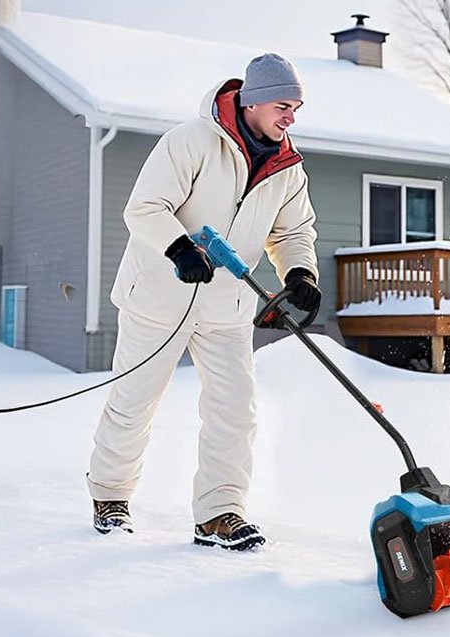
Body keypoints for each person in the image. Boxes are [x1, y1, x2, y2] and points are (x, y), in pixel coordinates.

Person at [86, 53, 322, 551]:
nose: (291, 118)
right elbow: (145, 207)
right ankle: (110, 497)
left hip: (225, 308)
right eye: (284, 105)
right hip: (158, 298)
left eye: (296, 107)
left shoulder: (286, 167)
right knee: (134, 403)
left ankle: (219, 513)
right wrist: (178, 248)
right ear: (254, 101)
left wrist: (301, 273)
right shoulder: (191, 140)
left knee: (235, 410)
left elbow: (293, 231)